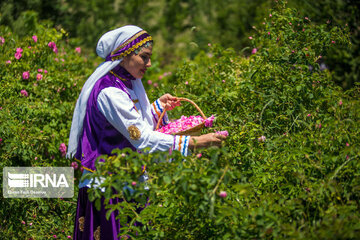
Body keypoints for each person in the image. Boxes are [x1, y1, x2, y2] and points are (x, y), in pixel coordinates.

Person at [67, 25, 226, 239]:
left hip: (126, 181)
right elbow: (140, 136)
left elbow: (130, 123)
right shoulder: (110, 92)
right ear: (124, 55)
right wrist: (195, 142)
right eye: (144, 57)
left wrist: (157, 107)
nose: (149, 64)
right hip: (108, 189)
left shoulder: (125, 83)